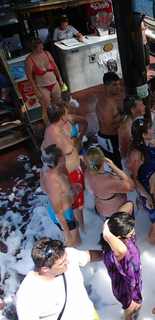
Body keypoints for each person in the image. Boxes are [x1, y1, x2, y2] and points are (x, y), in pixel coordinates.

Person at [16, 237, 102, 319]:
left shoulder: (68, 255)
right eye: (61, 263)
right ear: (45, 269)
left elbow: (89, 256)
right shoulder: (27, 296)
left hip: (90, 315)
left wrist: (111, 254)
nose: (68, 262)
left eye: (66, 257)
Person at [41, 102, 85, 239]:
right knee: (75, 208)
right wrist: (70, 184)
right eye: (66, 112)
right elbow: (59, 164)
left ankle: (81, 230)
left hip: (71, 173)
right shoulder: (56, 139)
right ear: (62, 116)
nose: (68, 114)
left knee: (75, 209)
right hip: (69, 176)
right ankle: (79, 233)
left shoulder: (51, 128)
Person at [99, 209, 142, 320]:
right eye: (131, 234)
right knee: (131, 309)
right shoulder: (116, 253)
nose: (133, 235)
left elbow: (129, 204)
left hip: (135, 281)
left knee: (137, 306)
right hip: (126, 288)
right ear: (118, 238)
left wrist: (109, 222)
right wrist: (107, 233)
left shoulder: (126, 240)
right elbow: (121, 249)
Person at [128, 118, 155, 244]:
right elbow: (133, 178)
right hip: (148, 192)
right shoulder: (136, 155)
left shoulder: (149, 145)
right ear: (143, 135)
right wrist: (146, 196)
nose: (153, 129)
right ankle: (151, 249)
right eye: (150, 128)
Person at [40, 144, 80, 247]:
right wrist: (67, 234)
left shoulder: (46, 169)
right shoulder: (54, 184)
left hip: (64, 209)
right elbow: (58, 212)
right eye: (63, 155)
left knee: (77, 228)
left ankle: (79, 242)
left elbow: (45, 189)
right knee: (71, 243)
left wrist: (69, 189)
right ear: (59, 159)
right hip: (64, 215)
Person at [84, 147, 135, 220]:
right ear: (103, 159)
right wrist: (114, 167)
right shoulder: (108, 182)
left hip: (101, 210)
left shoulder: (87, 174)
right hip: (115, 217)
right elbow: (132, 187)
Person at [25, 37, 64, 125]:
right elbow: (29, 77)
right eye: (39, 47)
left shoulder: (47, 53)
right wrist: (36, 91)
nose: (41, 48)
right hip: (42, 86)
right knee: (47, 108)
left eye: (41, 45)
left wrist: (60, 79)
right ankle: (49, 127)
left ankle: (60, 123)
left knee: (58, 104)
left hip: (54, 82)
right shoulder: (29, 60)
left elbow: (55, 67)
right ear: (33, 48)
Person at [95, 72, 124, 169]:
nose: (118, 87)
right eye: (115, 85)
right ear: (106, 87)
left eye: (119, 84)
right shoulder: (104, 104)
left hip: (114, 138)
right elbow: (109, 128)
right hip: (109, 139)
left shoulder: (112, 98)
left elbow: (117, 112)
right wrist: (127, 118)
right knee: (116, 166)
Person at [118, 95, 146, 165]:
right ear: (133, 110)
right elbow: (124, 155)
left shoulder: (137, 117)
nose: (144, 106)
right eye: (141, 105)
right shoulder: (125, 129)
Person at [62, 90, 88, 156]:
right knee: (77, 132)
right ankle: (81, 139)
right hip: (74, 121)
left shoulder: (63, 106)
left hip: (72, 120)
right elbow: (78, 105)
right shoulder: (72, 103)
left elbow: (85, 122)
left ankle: (81, 140)